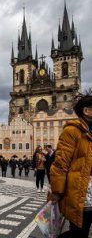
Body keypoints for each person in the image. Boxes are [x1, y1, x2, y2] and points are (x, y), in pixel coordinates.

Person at [50, 93, 92, 238]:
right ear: (87, 111)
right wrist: (57, 192)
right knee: (79, 232)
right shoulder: (72, 131)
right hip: (81, 194)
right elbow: (60, 164)